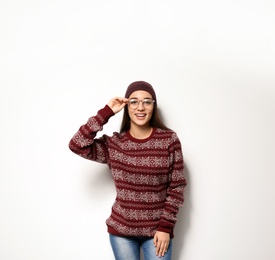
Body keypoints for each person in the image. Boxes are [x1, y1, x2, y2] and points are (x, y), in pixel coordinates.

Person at [69, 81, 187, 260]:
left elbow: (177, 186)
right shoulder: (114, 145)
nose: (141, 107)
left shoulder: (169, 140)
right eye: (134, 101)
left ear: (153, 106)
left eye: (147, 101)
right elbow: (77, 144)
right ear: (127, 106)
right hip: (121, 230)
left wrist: (165, 227)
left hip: (158, 230)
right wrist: (106, 112)